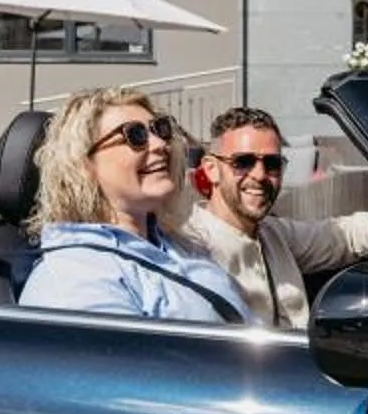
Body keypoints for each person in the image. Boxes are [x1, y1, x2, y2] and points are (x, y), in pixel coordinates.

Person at [19, 88, 248, 322]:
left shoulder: (182, 249)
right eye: (135, 135)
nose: (160, 144)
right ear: (84, 164)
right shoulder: (75, 278)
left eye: (161, 129)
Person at [179, 106, 368, 329]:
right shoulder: (187, 245)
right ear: (211, 169)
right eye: (243, 162)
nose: (260, 175)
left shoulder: (275, 234)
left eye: (272, 164)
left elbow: (342, 235)